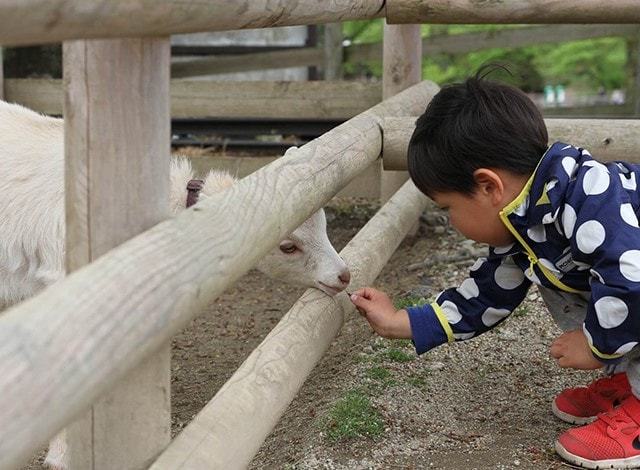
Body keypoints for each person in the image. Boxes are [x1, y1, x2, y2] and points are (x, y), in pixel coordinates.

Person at [350, 67, 640, 469]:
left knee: (621, 283)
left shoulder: (591, 197)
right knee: (566, 281)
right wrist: (404, 322)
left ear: (488, 186)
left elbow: (630, 279)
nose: (451, 220)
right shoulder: (527, 217)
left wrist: (596, 344)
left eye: (448, 207)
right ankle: (631, 380)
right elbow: (488, 292)